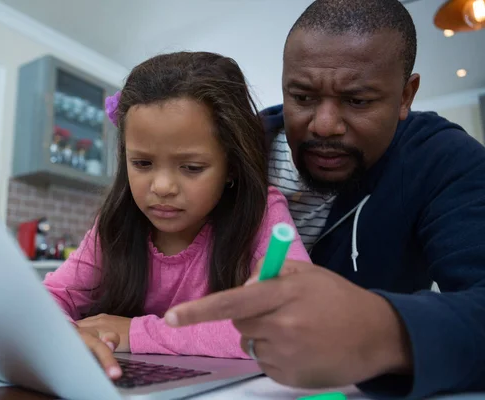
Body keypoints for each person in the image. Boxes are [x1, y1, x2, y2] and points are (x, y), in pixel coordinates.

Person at [163, 1, 485, 399]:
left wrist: (384, 332)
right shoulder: (231, 154)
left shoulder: (443, 160)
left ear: (406, 95)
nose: (324, 125)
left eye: (358, 101)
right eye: (302, 97)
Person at [43, 51, 310, 380]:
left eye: (191, 167)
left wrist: (137, 334)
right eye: (142, 163)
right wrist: (64, 334)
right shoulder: (115, 223)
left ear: (231, 166)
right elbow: (49, 298)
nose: (162, 186)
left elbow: (292, 319)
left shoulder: (261, 213)